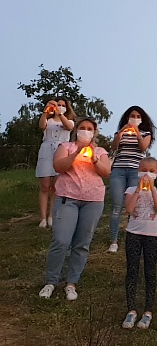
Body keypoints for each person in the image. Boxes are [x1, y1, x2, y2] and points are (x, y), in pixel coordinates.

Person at [38, 116, 111, 301]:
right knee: (61, 241)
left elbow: (106, 172)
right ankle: (51, 282)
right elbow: (58, 166)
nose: (86, 131)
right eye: (83, 127)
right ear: (76, 130)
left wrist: (94, 159)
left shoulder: (100, 151)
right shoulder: (66, 147)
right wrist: (76, 153)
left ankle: (71, 283)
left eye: (89, 128)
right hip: (67, 199)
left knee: (82, 243)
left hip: (93, 200)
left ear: (94, 132)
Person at [121, 157, 157, 330]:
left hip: (152, 234)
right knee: (132, 270)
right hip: (133, 233)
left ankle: (148, 311)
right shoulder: (131, 189)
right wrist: (139, 190)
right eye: (144, 170)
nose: (147, 174)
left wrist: (153, 189)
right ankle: (131, 309)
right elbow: (129, 209)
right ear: (138, 171)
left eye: (152, 171)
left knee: (150, 271)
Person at [108, 106, 156, 253]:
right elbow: (114, 147)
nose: (134, 118)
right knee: (117, 206)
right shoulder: (121, 132)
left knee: (133, 204)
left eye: (137, 116)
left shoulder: (145, 133)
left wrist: (136, 132)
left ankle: (131, 237)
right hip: (118, 170)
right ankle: (113, 241)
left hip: (136, 171)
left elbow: (143, 148)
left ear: (141, 119)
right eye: (132, 115)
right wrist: (122, 132)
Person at [36, 97, 76, 228]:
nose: (59, 106)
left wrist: (60, 113)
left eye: (62, 105)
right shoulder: (48, 120)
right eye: (58, 105)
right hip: (47, 150)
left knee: (56, 186)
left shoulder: (69, 120)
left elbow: (69, 126)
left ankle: (51, 215)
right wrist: (46, 111)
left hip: (61, 150)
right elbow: (42, 126)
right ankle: (42, 217)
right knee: (45, 186)